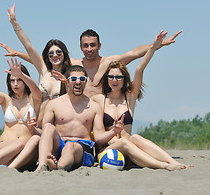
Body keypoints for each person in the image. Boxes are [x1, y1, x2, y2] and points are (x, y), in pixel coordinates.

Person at [91, 31, 187, 171]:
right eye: (111, 77)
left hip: (130, 150)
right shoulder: (99, 100)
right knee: (124, 142)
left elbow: (139, 69)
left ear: (124, 79)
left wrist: (153, 48)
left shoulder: (130, 97)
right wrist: (113, 132)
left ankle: (172, 162)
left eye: (118, 77)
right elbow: (98, 137)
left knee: (134, 137)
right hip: (107, 152)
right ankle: (164, 166)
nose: (114, 80)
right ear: (106, 79)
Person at [1, 3, 72, 127]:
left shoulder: (71, 74)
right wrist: (14, 23)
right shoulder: (43, 69)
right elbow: (28, 46)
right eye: (51, 54)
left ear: (64, 54)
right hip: (38, 124)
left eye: (58, 52)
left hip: (60, 126)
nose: (55, 55)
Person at [70, 28, 182, 97]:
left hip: (103, 118)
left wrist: (158, 44)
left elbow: (134, 53)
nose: (89, 49)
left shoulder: (108, 63)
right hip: (81, 118)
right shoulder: (74, 66)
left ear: (99, 45)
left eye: (93, 45)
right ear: (80, 47)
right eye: (85, 45)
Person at [36, 65, 101, 171]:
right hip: (60, 144)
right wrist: (31, 129)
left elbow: (99, 135)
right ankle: (42, 165)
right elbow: (45, 133)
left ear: (86, 81)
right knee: (48, 126)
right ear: (67, 81)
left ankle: (57, 168)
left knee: (70, 146)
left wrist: (114, 131)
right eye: (74, 79)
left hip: (82, 147)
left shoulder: (94, 107)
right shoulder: (54, 104)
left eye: (82, 79)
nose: (78, 82)